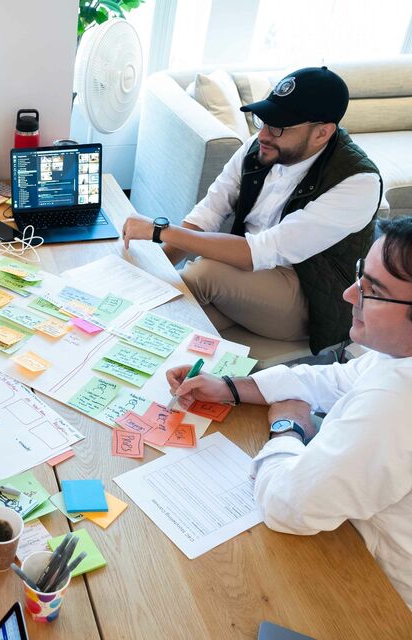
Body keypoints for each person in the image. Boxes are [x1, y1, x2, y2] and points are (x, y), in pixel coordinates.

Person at [166, 216, 412, 608]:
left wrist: (287, 427)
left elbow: (287, 506)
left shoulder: (396, 402)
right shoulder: (397, 357)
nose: (350, 295)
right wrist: (231, 386)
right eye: (360, 276)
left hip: (379, 593)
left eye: (373, 291)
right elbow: (339, 379)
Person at [122, 66, 382, 355]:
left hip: (310, 301)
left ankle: (118, 322)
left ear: (322, 133)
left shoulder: (358, 183)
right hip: (248, 280)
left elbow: (259, 252)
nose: (264, 134)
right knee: (170, 323)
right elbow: (206, 215)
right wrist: (153, 270)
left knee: (203, 274)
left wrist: (160, 232)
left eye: (279, 127)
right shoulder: (257, 148)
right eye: (264, 120)